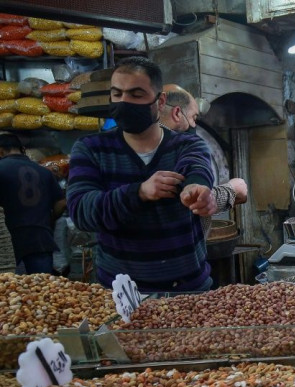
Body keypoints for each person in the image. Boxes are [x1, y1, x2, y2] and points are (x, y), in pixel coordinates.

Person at [67, 57, 216, 292]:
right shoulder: (91, 149)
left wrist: (196, 188)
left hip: (188, 289)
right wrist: (139, 192)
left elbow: (196, 168)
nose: (124, 102)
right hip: (122, 295)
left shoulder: (187, 145)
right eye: (117, 94)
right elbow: (82, 211)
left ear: (160, 101)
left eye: (136, 95)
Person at [159, 84, 248, 237]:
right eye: (194, 118)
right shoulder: (177, 146)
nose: (194, 125)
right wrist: (232, 190)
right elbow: (188, 201)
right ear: (177, 113)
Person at [0, 132, 66, 274]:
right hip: (41, 240)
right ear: (22, 149)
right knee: (41, 290)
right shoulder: (45, 172)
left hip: (10, 244)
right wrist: (50, 219)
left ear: (0, 150)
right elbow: (61, 204)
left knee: (11, 291)